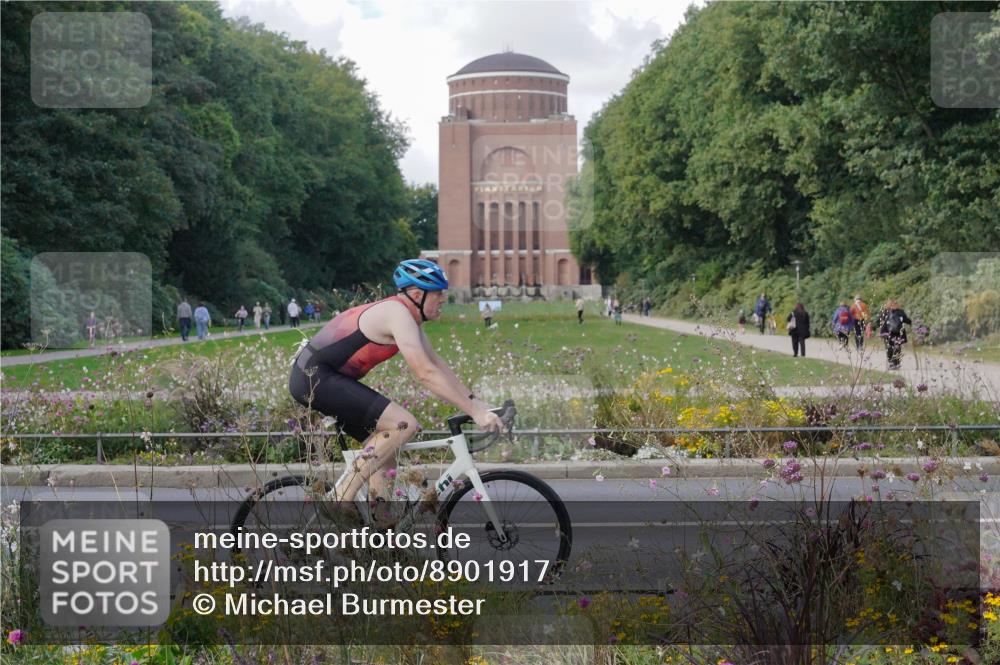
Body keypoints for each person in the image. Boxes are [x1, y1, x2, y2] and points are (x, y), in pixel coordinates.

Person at [289, 259, 504, 513]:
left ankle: (381, 532)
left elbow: (438, 365)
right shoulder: (397, 314)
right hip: (315, 378)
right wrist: (475, 413)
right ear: (417, 295)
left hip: (326, 377)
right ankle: (340, 496)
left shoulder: (408, 319)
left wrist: (475, 402)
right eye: (438, 293)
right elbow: (425, 372)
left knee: (385, 450)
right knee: (404, 424)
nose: (443, 299)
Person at [877, 299, 912, 369]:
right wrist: (911, 322)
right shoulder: (900, 312)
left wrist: (880, 327)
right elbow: (907, 320)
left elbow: (878, 321)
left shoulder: (885, 311)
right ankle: (896, 363)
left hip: (887, 332)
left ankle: (891, 363)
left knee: (889, 347)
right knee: (897, 347)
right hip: (899, 332)